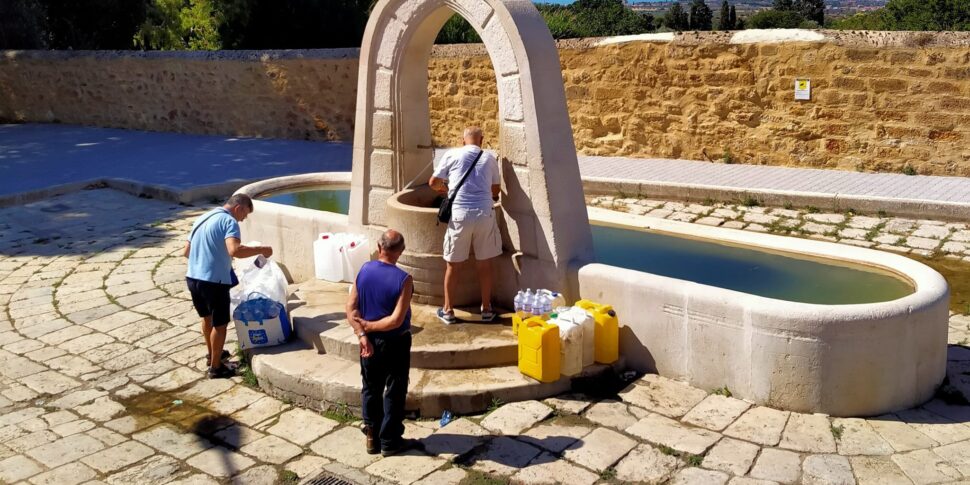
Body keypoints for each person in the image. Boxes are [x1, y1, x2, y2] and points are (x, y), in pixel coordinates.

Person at [184, 194, 272, 379]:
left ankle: (212, 355)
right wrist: (262, 250)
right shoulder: (229, 222)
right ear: (239, 208)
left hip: (193, 277)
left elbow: (186, 252)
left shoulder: (202, 218)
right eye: (245, 214)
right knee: (220, 324)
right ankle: (216, 368)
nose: (243, 219)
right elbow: (235, 250)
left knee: (207, 319)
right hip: (213, 282)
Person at [346, 229, 415, 456]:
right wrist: (368, 327)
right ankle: (390, 441)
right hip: (395, 343)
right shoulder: (404, 280)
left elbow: (351, 309)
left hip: (369, 343)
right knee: (394, 390)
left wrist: (362, 334)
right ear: (401, 251)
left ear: (379, 247)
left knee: (370, 388)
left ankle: (371, 437)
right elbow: (396, 320)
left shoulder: (364, 270)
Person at [428, 126, 502, 324]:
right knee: (484, 264)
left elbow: (433, 182)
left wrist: (447, 189)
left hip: (460, 214)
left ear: (463, 141)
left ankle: (448, 310)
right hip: (485, 213)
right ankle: (486, 309)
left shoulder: (452, 154)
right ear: (482, 140)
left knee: (453, 265)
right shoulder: (489, 158)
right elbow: (496, 189)